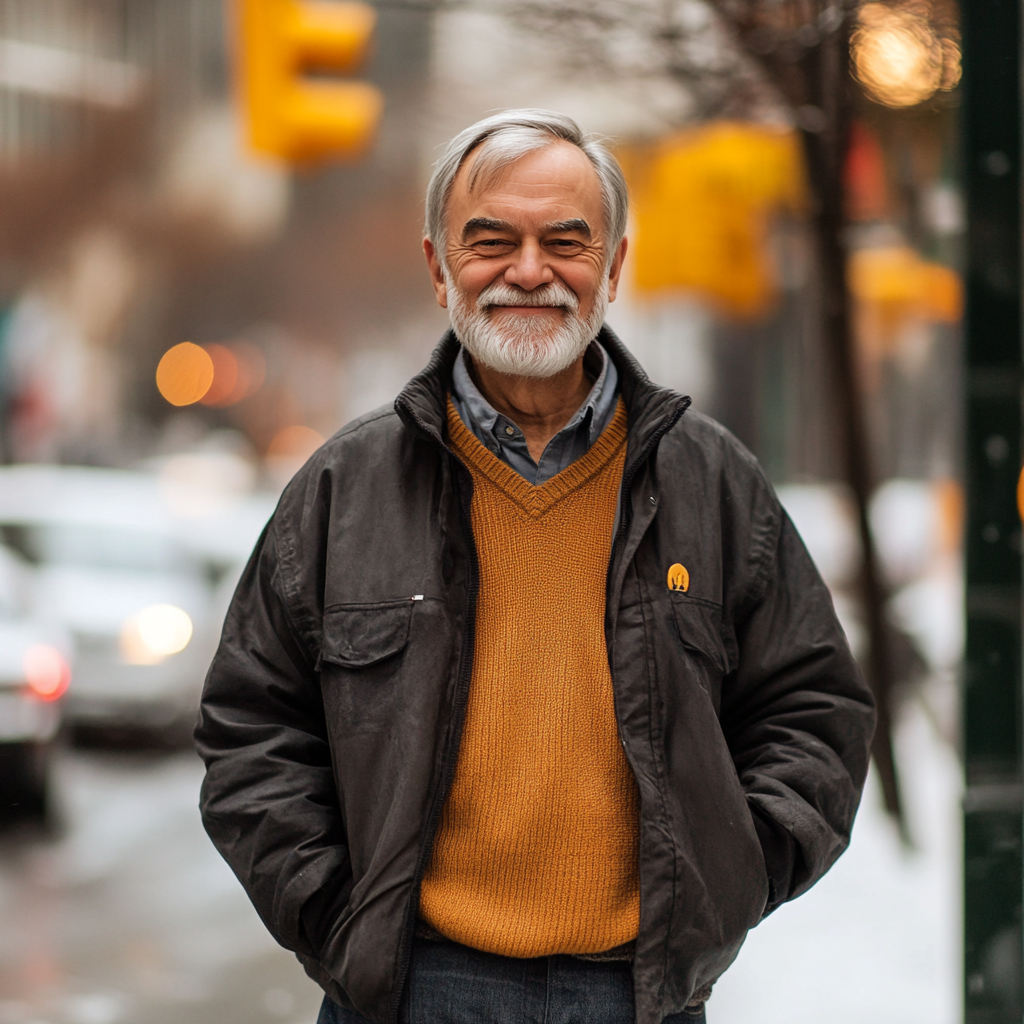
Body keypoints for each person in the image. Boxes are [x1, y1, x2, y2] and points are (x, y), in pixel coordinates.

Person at [195, 109, 875, 1024]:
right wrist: (336, 916)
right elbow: (251, 726)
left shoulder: (713, 482)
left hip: (638, 994)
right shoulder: (341, 487)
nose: (528, 270)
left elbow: (815, 710)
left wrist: (728, 876)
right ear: (439, 268)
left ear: (614, 267)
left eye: (566, 240)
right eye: (490, 241)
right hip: (412, 991)